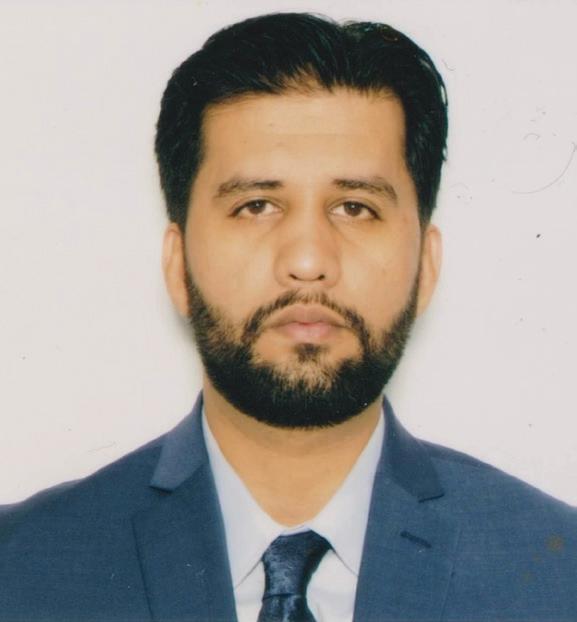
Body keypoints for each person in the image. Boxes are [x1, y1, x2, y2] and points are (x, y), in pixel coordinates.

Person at [0, 11, 575, 622]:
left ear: (426, 265)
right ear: (178, 263)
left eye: (355, 207)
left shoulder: (556, 577)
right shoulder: (22, 570)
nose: (307, 261)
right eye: (256, 205)